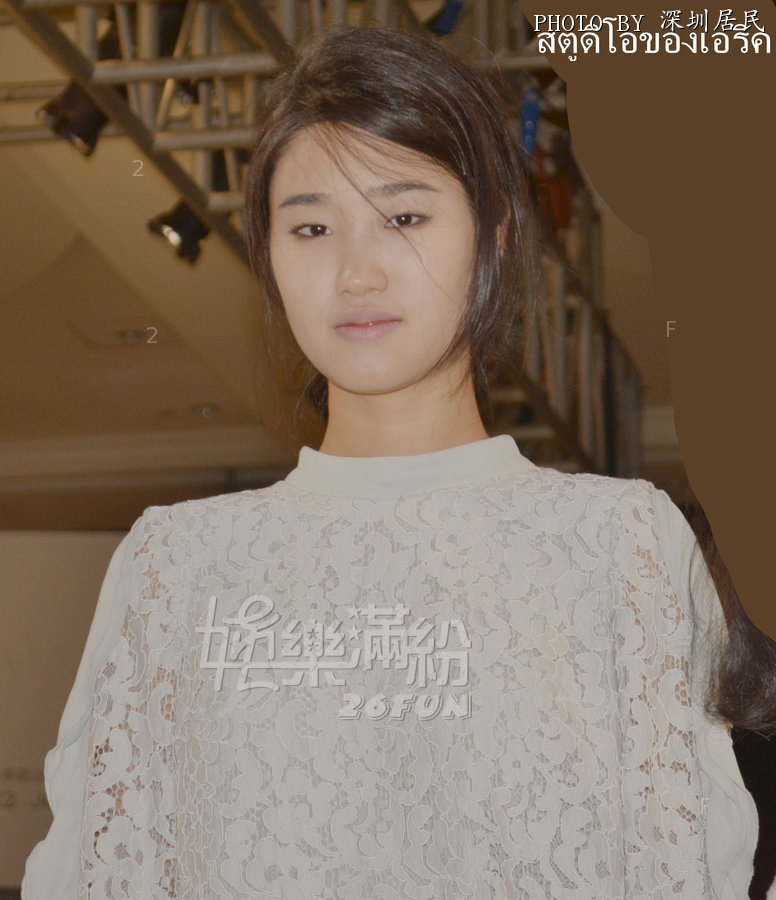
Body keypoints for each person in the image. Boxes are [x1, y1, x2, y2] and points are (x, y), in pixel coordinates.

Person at [23, 25, 776, 900]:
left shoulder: (623, 545)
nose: (358, 272)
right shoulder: (175, 567)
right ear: (270, 258)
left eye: (405, 217)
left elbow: (688, 867)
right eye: (311, 227)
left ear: (495, 236)